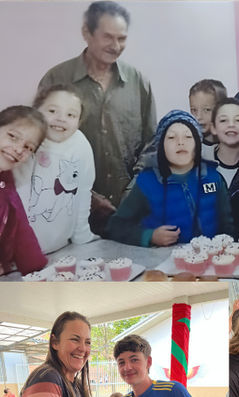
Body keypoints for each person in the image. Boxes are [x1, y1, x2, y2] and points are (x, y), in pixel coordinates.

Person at [39, 1, 156, 232]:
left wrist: (133, 192)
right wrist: (87, 196)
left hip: (130, 214)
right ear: (87, 33)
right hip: (67, 211)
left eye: (122, 38)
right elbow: (42, 145)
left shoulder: (138, 82)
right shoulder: (56, 79)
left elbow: (151, 144)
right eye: (107, 37)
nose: (115, 46)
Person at [107, 110, 233, 246]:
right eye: (172, 137)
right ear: (161, 145)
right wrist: (150, 236)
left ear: (197, 143)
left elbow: (229, 225)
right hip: (165, 257)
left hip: (210, 255)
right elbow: (115, 226)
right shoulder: (147, 183)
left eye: (188, 137)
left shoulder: (214, 177)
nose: (180, 143)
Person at [13, 85, 98, 254]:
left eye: (71, 115)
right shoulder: (26, 142)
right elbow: (16, 196)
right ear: (36, 112)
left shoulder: (81, 144)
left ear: (79, 122)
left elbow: (83, 192)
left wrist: (81, 236)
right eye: (52, 111)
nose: (61, 119)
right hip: (21, 250)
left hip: (60, 246)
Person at [0, 106, 49, 277]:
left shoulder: (5, 179)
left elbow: (20, 224)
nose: (19, 149)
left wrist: (35, 267)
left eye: (28, 147)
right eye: (13, 136)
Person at [211, 99, 239, 195]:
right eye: (223, 120)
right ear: (213, 128)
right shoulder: (201, 164)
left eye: (238, 120)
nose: (231, 125)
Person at [188, 79, 227, 153]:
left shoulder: (233, 142)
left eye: (207, 110)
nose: (198, 117)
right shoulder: (190, 145)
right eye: (194, 110)